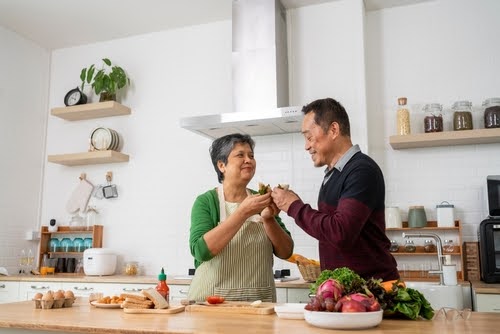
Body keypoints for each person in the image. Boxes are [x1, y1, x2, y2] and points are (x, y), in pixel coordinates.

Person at [271, 98, 399, 282]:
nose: (306, 146)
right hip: (345, 289)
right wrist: (293, 204)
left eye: (309, 137)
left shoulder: (361, 170)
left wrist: (294, 206)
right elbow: (330, 229)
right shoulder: (333, 175)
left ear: (333, 130)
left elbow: (340, 233)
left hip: (372, 291)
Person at [188, 133, 294, 302]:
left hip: (259, 304)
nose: (248, 160)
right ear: (222, 165)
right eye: (240, 155)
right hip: (212, 305)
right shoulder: (206, 202)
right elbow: (201, 251)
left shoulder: (262, 198)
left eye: (251, 156)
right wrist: (242, 212)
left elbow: (286, 251)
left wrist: (268, 219)